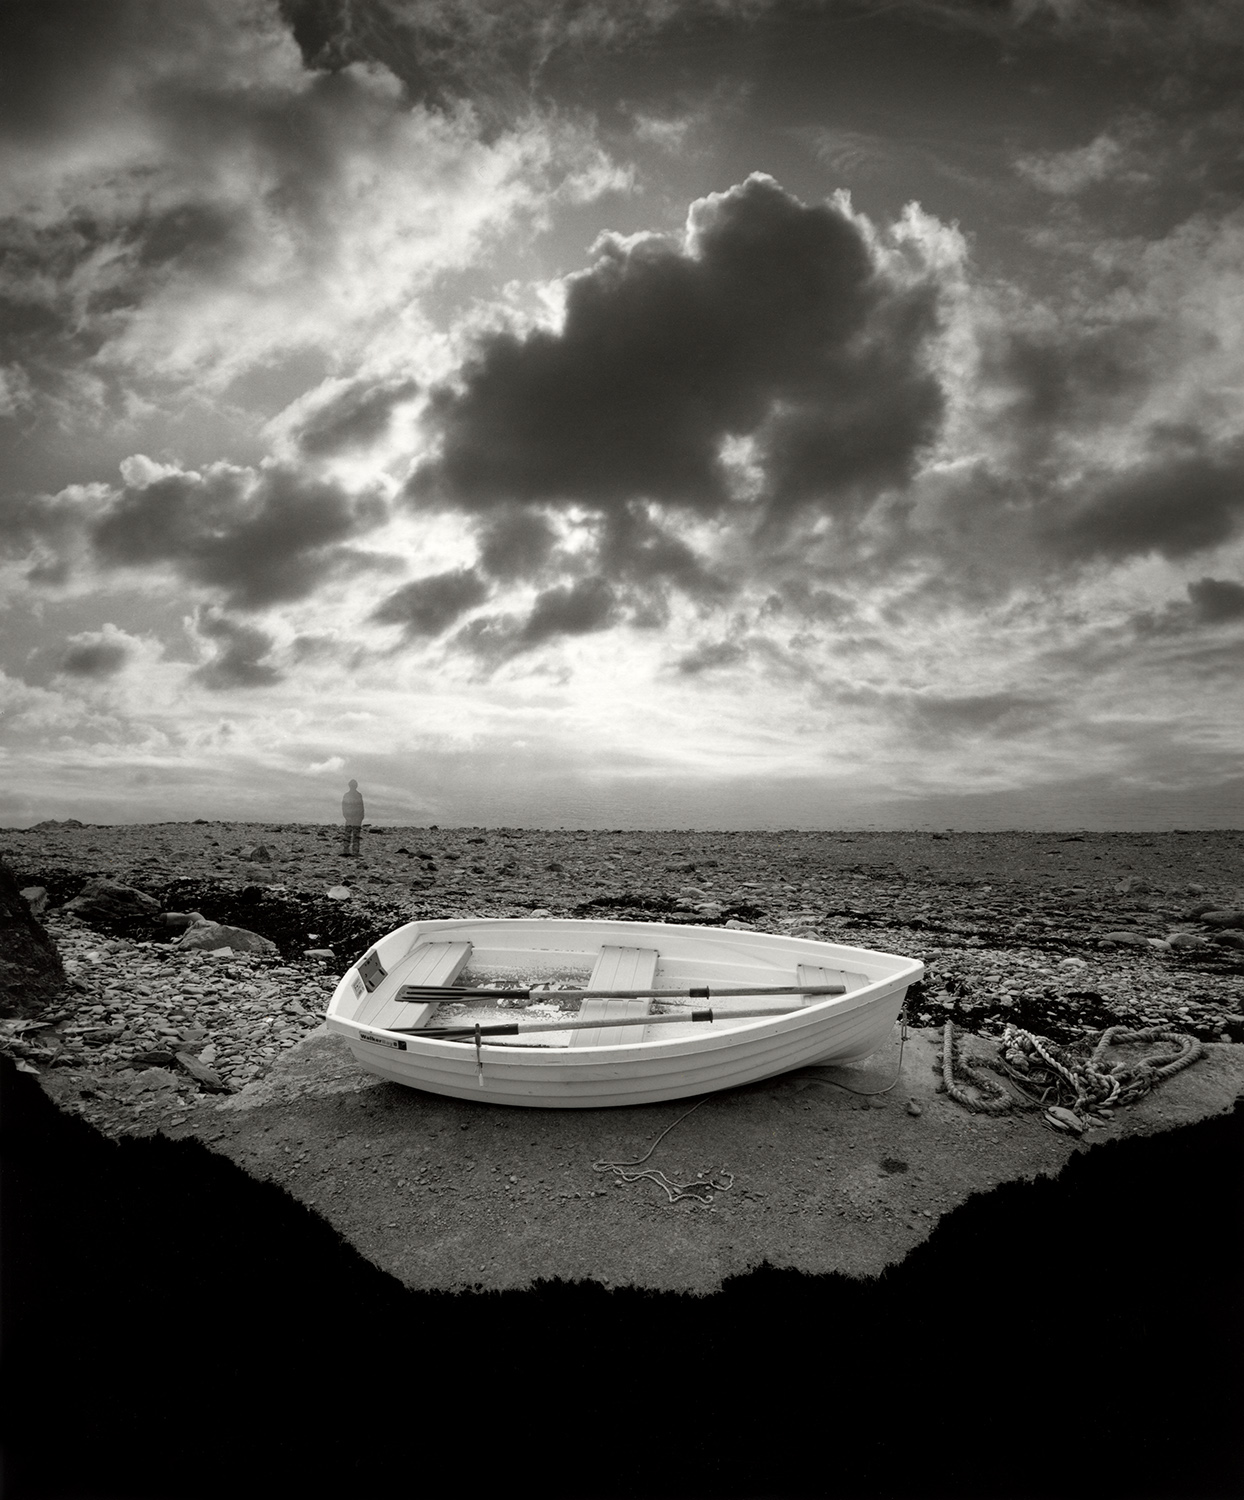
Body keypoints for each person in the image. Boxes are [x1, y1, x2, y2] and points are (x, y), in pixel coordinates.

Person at [341, 779, 364, 856]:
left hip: (352, 818)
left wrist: (346, 815)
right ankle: (353, 851)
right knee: (354, 835)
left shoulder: (348, 795)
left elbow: (344, 807)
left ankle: (347, 850)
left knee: (350, 835)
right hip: (354, 818)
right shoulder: (357, 795)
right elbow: (361, 807)